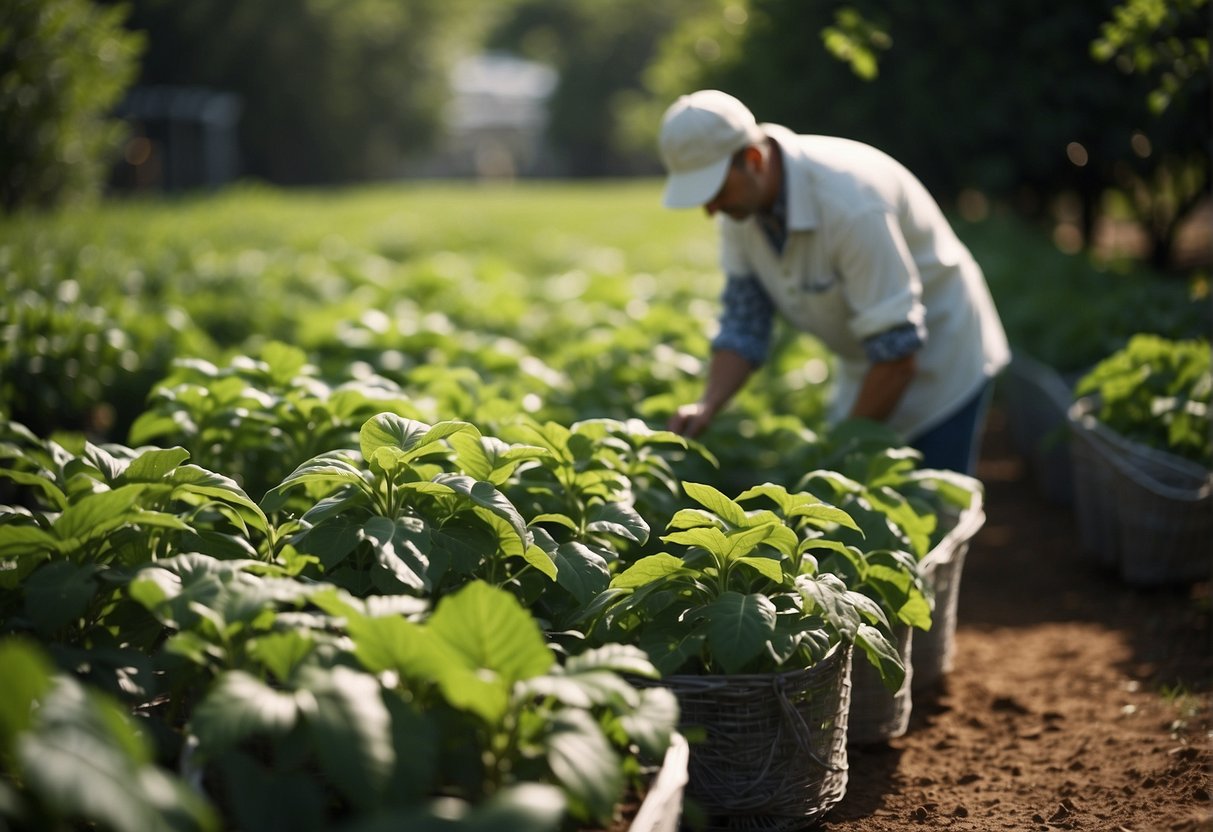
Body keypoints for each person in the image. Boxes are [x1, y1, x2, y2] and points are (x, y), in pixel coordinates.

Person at [659, 89, 1010, 475]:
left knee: (935, 504)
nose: (710, 211)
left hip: (942, 360)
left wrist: (838, 458)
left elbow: (897, 357)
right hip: (867, 364)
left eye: (716, 192)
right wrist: (707, 404)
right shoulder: (739, 210)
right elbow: (746, 320)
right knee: (861, 506)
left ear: (754, 159)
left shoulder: (851, 203)